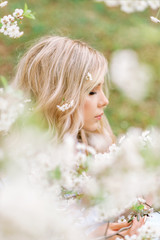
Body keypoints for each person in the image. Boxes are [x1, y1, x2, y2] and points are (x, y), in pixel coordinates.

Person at [12, 35, 144, 238]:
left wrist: (133, 215)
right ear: (57, 97)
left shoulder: (94, 143)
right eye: (92, 92)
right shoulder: (18, 164)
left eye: (101, 89)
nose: (105, 101)